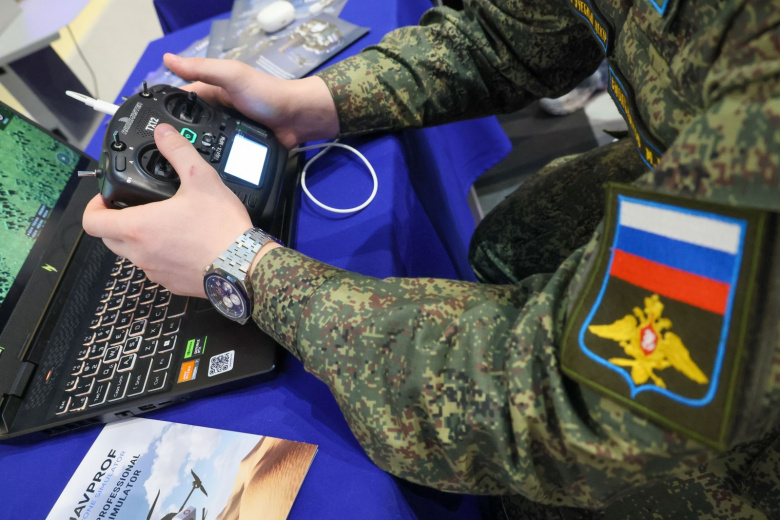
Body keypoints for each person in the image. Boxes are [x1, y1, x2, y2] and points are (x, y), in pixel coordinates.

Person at [83, 0, 780, 518]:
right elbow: (516, 30)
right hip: (683, 158)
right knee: (513, 241)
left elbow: (571, 398)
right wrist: (318, 102)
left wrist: (246, 268)